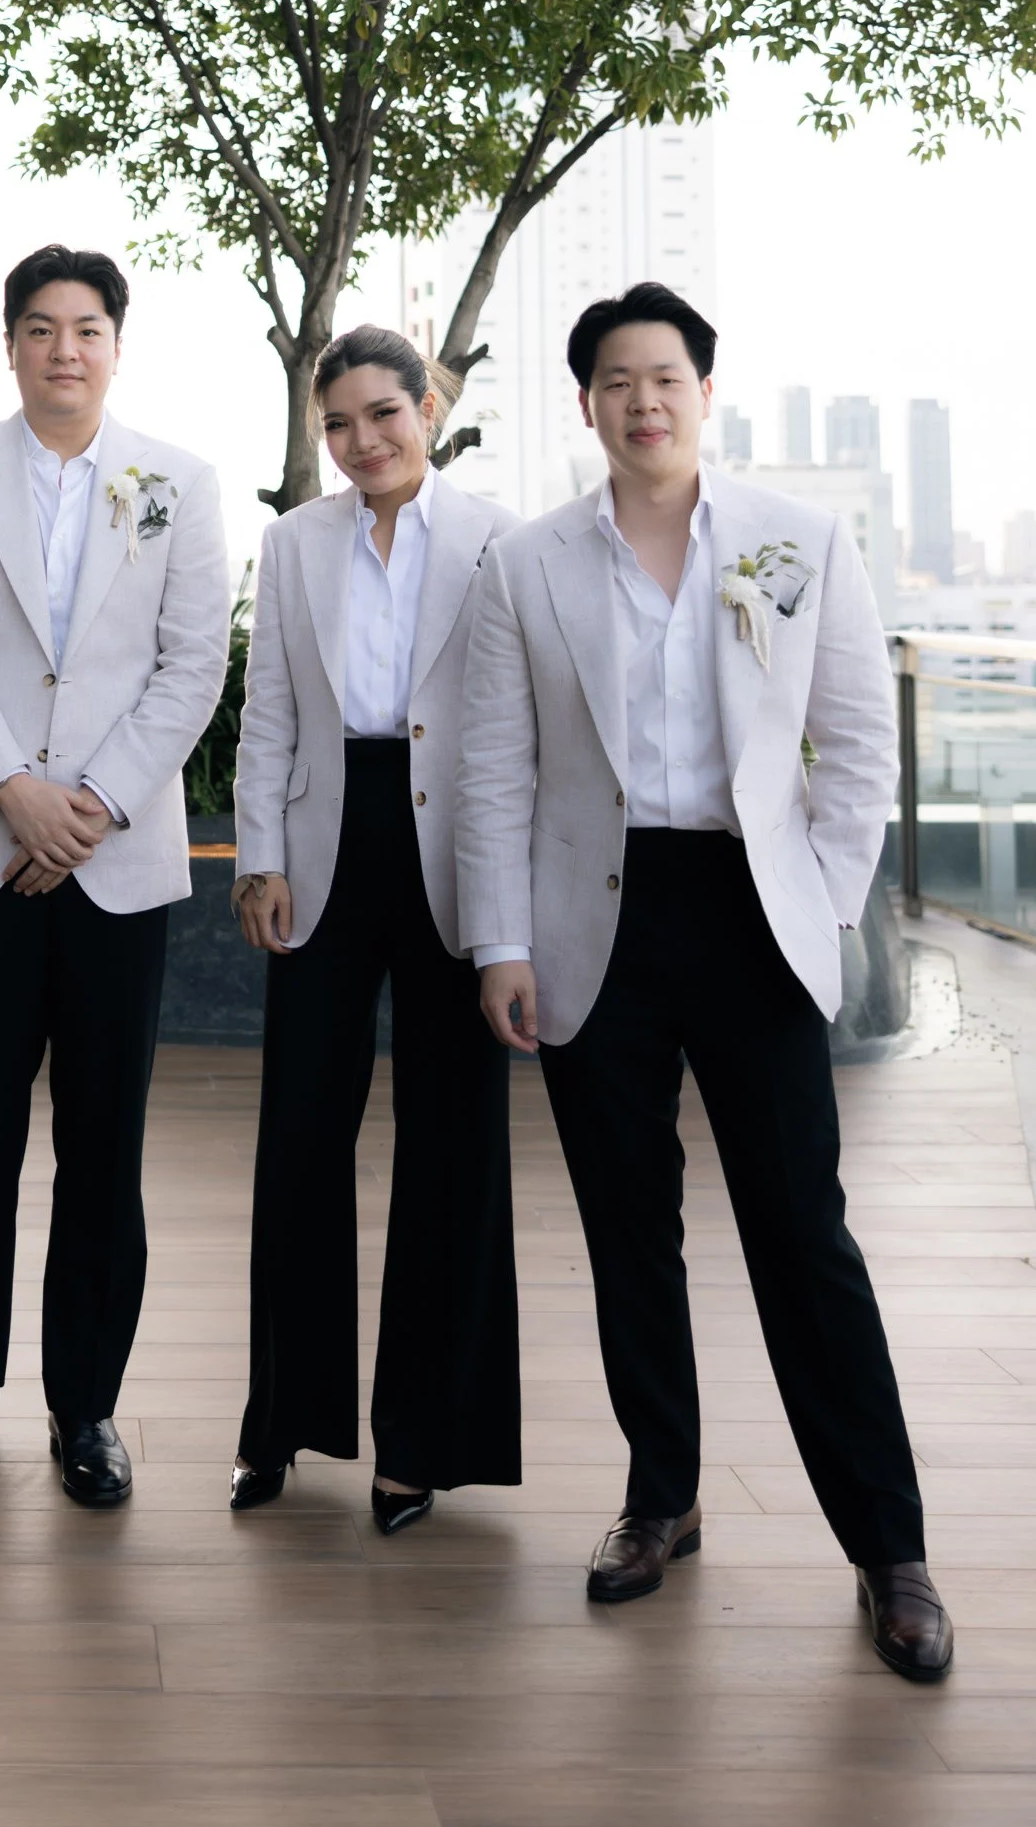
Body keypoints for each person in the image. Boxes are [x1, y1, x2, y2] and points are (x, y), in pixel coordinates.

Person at [456, 280, 953, 1679]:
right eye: (617, 379)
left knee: (802, 1230)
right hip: (592, 917)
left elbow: (855, 742)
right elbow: (494, 763)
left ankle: (890, 1547)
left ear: (703, 391)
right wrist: (500, 941)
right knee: (628, 1228)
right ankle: (660, 1495)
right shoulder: (527, 562)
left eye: (665, 376)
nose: (644, 399)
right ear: (587, 402)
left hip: (751, 913)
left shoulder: (798, 539)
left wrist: (818, 902)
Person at [0, 244, 229, 1505]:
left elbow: (191, 663)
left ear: (115, 345)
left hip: (114, 859)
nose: (63, 349)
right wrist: (13, 794)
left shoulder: (178, 480)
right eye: (40, 327)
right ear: (11, 344)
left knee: (102, 1142)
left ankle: (85, 1402)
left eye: (86, 327)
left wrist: (86, 806)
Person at [228, 325, 520, 1526]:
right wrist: (256, 854)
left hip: (456, 840)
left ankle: (422, 1442)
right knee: (298, 1131)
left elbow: (517, 723)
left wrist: (510, 908)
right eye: (336, 423)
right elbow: (268, 709)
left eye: (381, 414)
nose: (361, 441)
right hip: (322, 841)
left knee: (453, 1139)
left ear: (426, 411)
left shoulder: (498, 537)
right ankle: (280, 1422)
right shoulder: (294, 540)